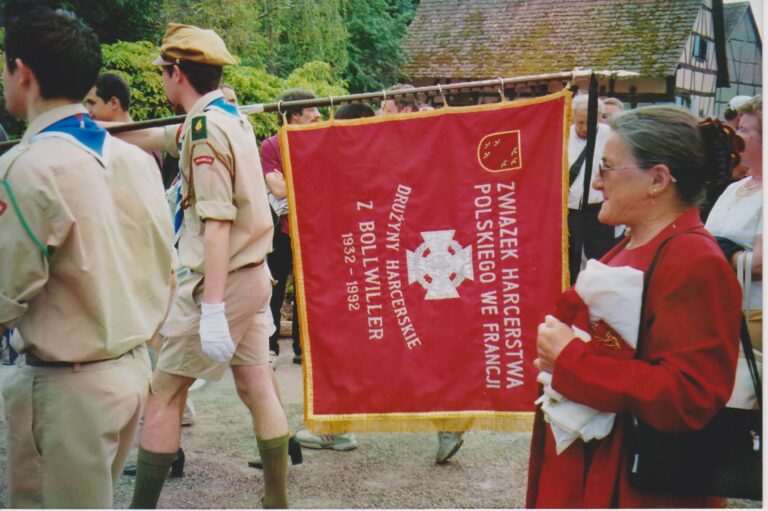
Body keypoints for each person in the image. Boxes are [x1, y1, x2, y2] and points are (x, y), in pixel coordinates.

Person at [0, 7, 174, 508]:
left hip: (65, 388)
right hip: (128, 371)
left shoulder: (26, 167)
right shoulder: (136, 160)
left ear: (24, 72)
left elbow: (7, 290)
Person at [527, 106, 742, 508]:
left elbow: (690, 396)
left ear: (657, 180)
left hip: (637, 484)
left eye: (607, 168)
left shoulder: (694, 259)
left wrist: (570, 359)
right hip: (601, 465)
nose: (596, 181)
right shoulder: (636, 242)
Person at [125, 23, 290, 509]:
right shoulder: (227, 115)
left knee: (164, 393)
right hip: (253, 274)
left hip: (220, 282)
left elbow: (216, 223)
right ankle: (276, 502)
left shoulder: (206, 127)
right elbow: (164, 136)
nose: (161, 80)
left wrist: (213, 308)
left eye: (163, 72)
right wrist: (107, 132)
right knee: (256, 383)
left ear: (177, 72)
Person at [706, 95, 762, 410]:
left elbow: (758, 264)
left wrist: (717, 254)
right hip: (720, 315)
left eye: (747, 130)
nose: (736, 137)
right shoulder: (733, 188)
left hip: (754, 319)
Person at [260, 87, 319, 365]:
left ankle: (302, 348)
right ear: (295, 115)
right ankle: (269, 347)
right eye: (312, 112)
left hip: (310, 226)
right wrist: (309, 182)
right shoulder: (271, 146)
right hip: (280, 229)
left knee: (306, 290)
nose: (318, 116)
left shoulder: (320, 141)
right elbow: (278, 189)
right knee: (275, 287)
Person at [567, 94, 615, 284]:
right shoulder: (562, 135)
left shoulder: (611, 136)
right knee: (569, 260)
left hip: (598, 209)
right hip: (569, 210)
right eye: (580, 123)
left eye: (590, 123)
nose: (585, 128)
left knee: (601, 259)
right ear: (572, 117)